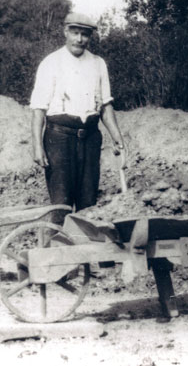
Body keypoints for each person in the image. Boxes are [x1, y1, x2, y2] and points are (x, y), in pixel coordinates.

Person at [30, 12, 125, 223]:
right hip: (59, 138)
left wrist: (117, 136)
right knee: (61, 202)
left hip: (90, 138)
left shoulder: (98, 63)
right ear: (65, 32)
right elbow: (38, 110)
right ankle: (59, 249)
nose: (79, 39)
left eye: (84, 34)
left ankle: (86, 252)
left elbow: (105, 105)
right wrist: (37, 146)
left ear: (90, 37)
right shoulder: (51, 62)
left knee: (88, 202)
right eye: (75, 33)